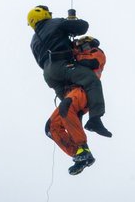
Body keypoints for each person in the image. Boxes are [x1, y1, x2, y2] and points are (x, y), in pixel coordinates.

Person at [28, 5, 112, 138]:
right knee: (91, 80)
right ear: (42, 14)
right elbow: (83, 26)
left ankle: (78, 142)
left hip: (49, 75)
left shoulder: (33, 41)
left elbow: (39, 62)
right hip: (61, 64)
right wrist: (70, 22)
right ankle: (95, 118)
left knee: (71, 105)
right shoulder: (55, 23)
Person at [45, 36, 106, 175]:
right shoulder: (74, 58)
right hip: (70, 93)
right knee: (51, 126)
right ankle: (79, 154)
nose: (80, 48)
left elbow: (92, 62)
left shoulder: (97, 52)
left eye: (84, 45)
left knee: (66, 106)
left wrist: (72, 56)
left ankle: (82, 146)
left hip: (84, 91)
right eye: (79, 46)